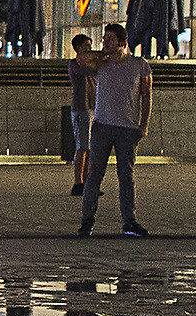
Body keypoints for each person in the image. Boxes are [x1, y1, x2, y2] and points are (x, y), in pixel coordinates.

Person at [79, 22, 153, 238]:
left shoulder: (140, 65)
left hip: (127, 128)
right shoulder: (101, 63)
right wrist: (102, 53)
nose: (105, 43)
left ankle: (129, 221)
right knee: (94, 175)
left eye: (110, 40)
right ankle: (87, 220)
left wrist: (144, 125)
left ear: (123, 43)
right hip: (102, 126)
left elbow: (147, 95)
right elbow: (81, 60)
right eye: (104, 39)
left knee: (126, 176)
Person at [66, 32, 99, 197]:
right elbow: (88, 70)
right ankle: (78, 182)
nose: (89, 49)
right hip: (81, 107)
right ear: (78, 48)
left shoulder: (90, 66)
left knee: (89, 148)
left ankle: (86, 183)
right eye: (86, 46)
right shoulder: (75, 64)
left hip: (92, 107)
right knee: (82, 147)